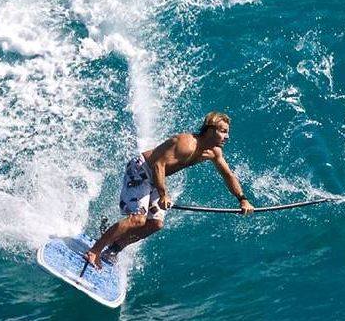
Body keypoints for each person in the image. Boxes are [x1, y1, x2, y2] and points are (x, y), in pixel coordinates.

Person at [84, 111, 254, 269]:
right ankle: (94, 251)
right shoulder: (186, 144)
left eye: (227, 132)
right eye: (223, 131)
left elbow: (228, 175)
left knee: (155, 224)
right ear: (210, 130)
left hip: (156, 178)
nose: (227, 136)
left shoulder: (214, 152)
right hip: (141, 170)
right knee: (138, 220)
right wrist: (164, 195)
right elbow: (158, 165)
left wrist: (242, 198)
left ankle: (114, 247)